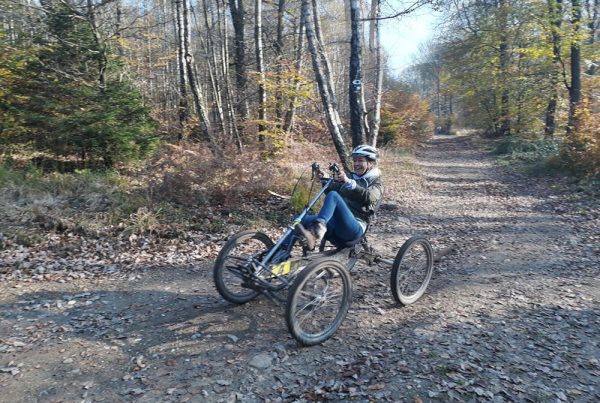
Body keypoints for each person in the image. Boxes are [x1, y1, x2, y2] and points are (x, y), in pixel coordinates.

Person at [296, 144, 384, 250]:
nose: (356, 164)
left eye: (360, 161)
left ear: (371, 162)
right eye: (355, 160)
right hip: (337, 223)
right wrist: (325, 179)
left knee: (334, 196)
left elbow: (369, 197)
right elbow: (333, 190)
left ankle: (318, 229)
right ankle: (281, 253)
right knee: (298, 220)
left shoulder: (377, 182)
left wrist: (349, 183)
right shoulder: (352, 176)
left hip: (355, 227)